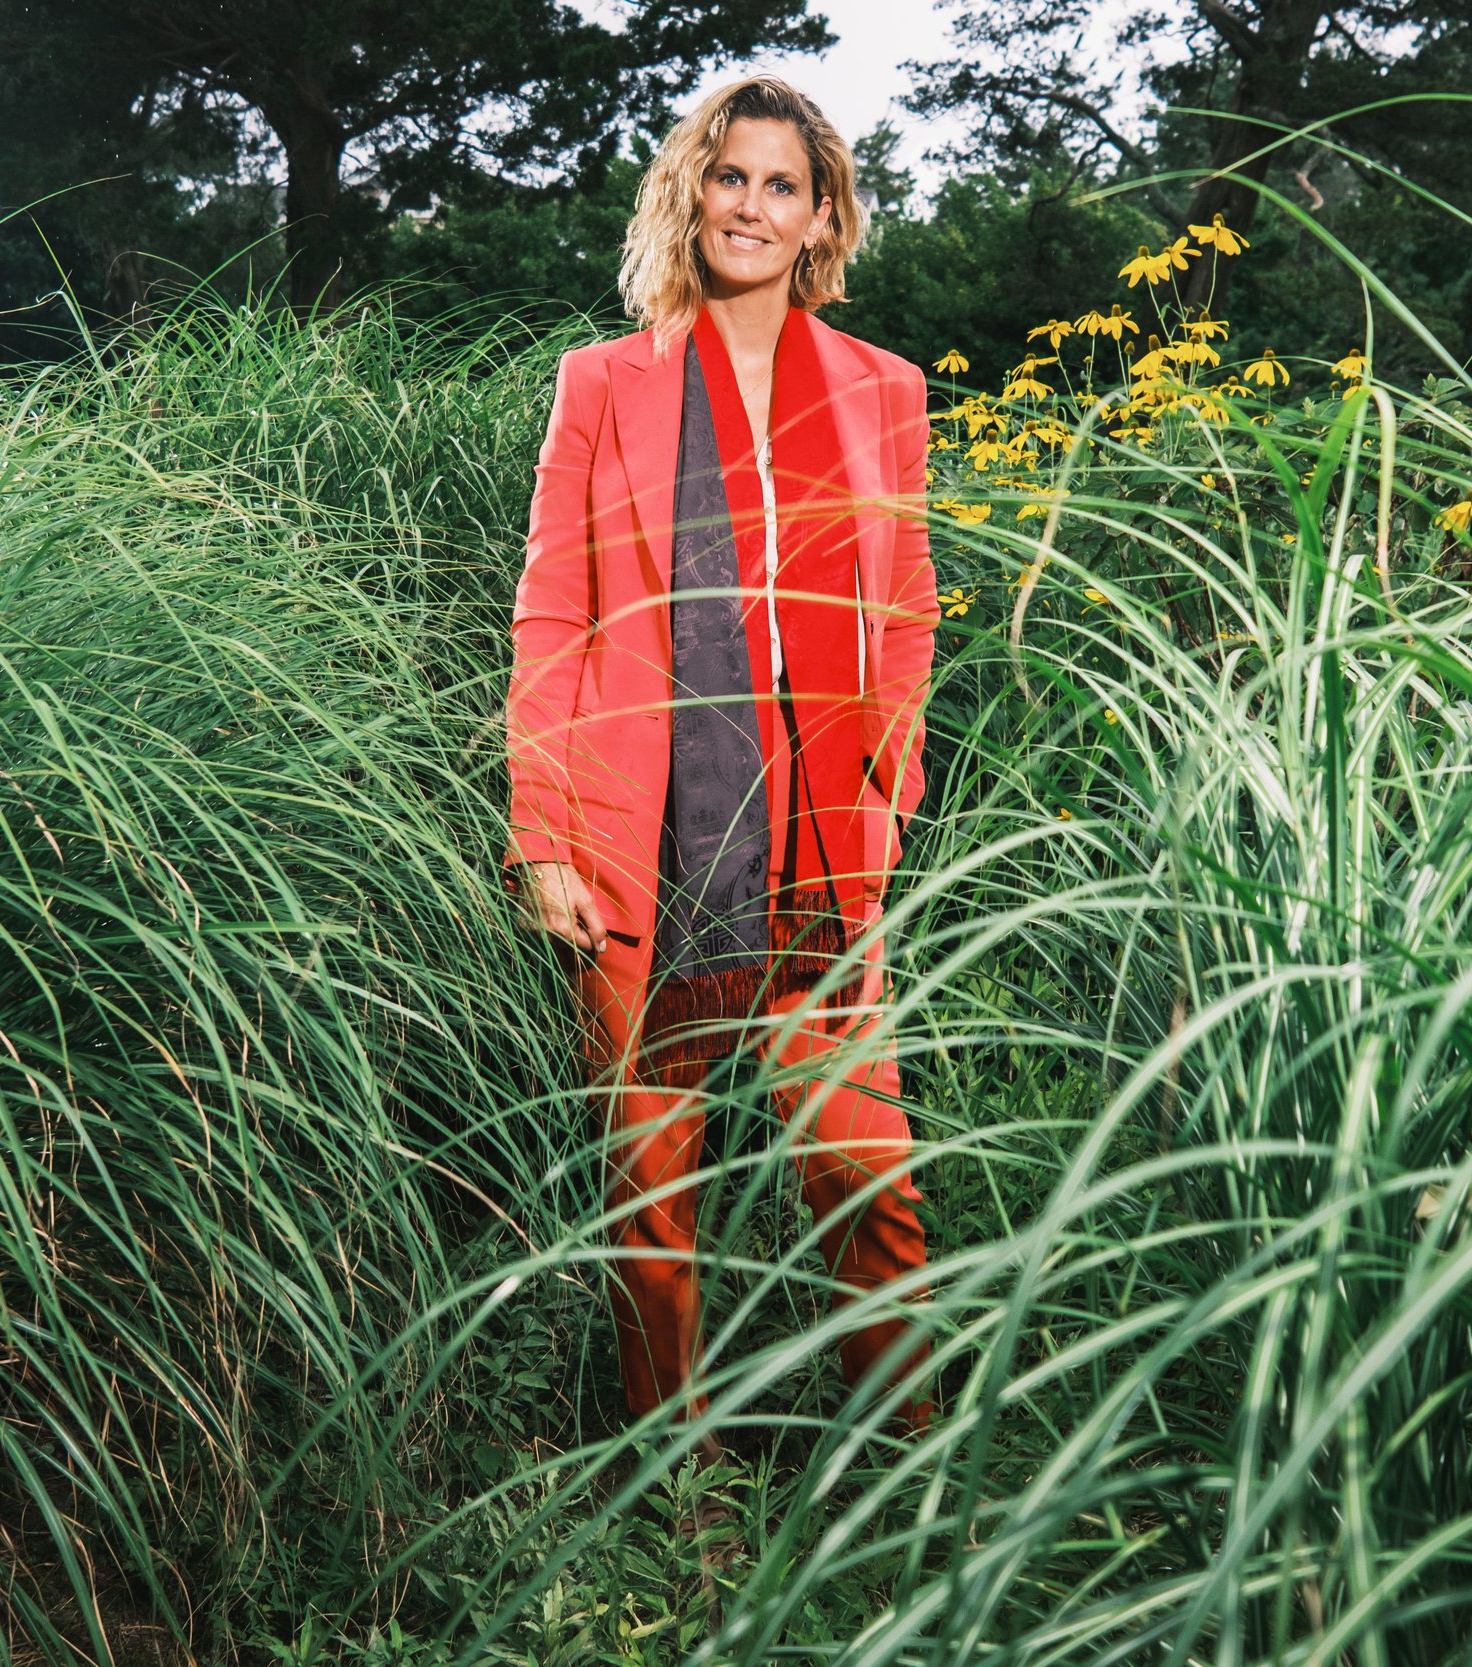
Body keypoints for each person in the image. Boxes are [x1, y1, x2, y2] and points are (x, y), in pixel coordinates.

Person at [502, 75, 940, 1457]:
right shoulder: (603, 383)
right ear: (693, 192)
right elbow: (552, 609)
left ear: (823, 221)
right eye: (730, 177)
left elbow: (908, 602)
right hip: (649, 828)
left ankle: (915, 1472)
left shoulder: (885, 390)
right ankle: (665, 1472)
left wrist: (890, 781)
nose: (751, 206)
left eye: (782, 187)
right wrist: (544, 833)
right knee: (650, 1194)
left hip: (816, 837)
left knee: (866, 1173)